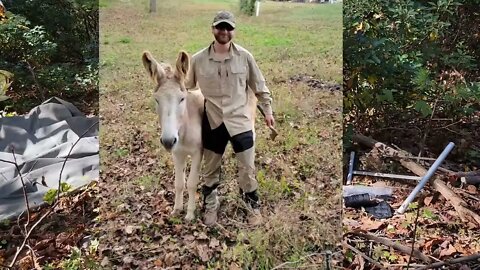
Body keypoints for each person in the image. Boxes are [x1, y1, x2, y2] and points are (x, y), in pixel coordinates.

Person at [185, 10, 275, 226]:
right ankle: (211, 205)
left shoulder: (245, 57)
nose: (224, 31)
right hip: (213, 120)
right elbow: (185, 87)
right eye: (220, 27)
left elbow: (259, 86)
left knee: (247, 167)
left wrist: (268, 111)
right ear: (213, 29)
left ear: (233, 30)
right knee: (210, 168)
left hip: (240, 120)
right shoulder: (197, 60)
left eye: (228, 28)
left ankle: (251, 206)